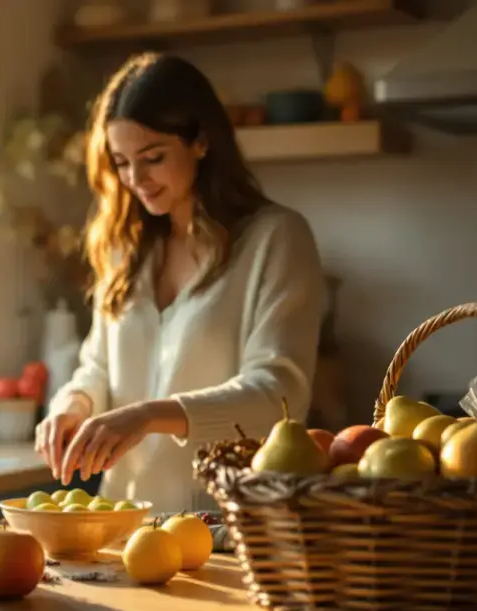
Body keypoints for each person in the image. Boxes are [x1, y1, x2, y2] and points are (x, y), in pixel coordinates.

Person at [34, 52, 325, 514]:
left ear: (201, 142)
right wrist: (72, 404)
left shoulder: (276, 239)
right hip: (122, 524)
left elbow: (279, 393)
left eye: (153, 158)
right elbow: (98, 367)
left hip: (229, 528)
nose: (135, 180)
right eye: (122, 162)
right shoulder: (125, 248)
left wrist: (151, 415)